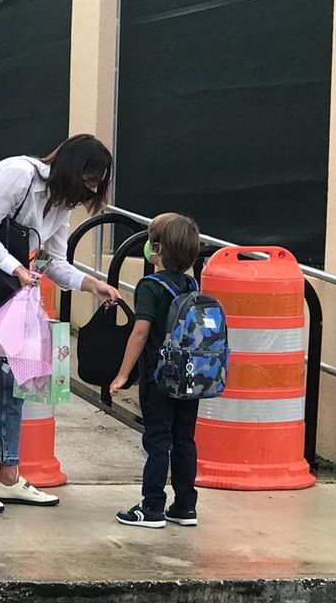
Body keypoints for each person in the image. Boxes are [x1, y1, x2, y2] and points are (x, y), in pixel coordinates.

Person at [0, 134, 121, 513]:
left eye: (96, 185)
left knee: (13, 373)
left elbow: (54, 263)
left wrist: (91, 284)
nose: (89, 191)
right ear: (71, 169)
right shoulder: (20, 174)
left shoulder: (61, 206)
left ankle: (8, 475)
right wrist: (17, 268)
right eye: (88, 181)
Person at [109, 212, 201, 529]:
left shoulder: (150, 286)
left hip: (158, 377)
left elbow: (140, 332)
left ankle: (151, 507)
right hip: (189, 377)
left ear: (156, 249)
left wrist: (123, 374)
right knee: (184, 440)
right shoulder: (192, 284)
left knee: (158, 440)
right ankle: (185, 506)